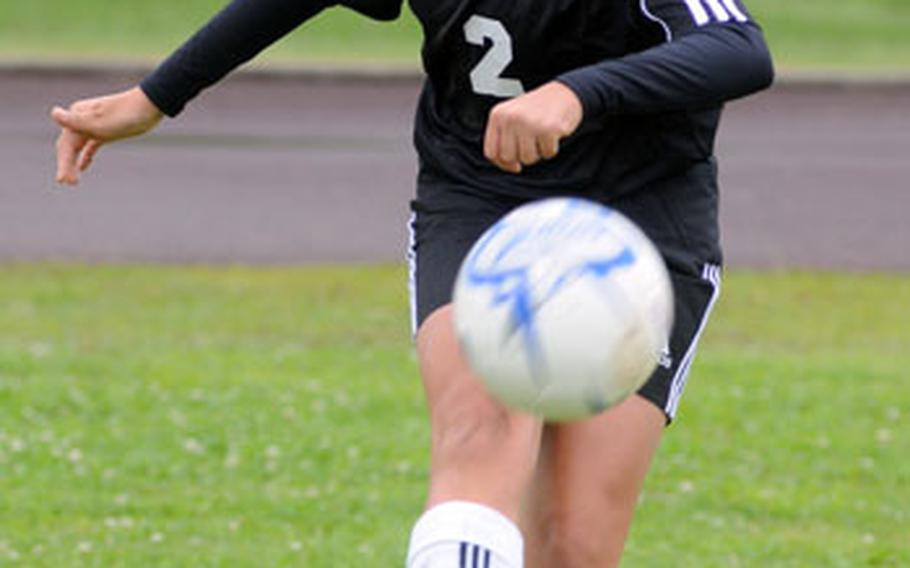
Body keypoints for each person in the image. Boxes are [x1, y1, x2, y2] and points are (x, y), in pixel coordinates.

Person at [52, 0, 773, 565]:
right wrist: (155, 96)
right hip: (482, 199)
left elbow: (739, 49)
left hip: (636, 222)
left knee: (575, 545)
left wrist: (577, 94)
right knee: (481, 433)